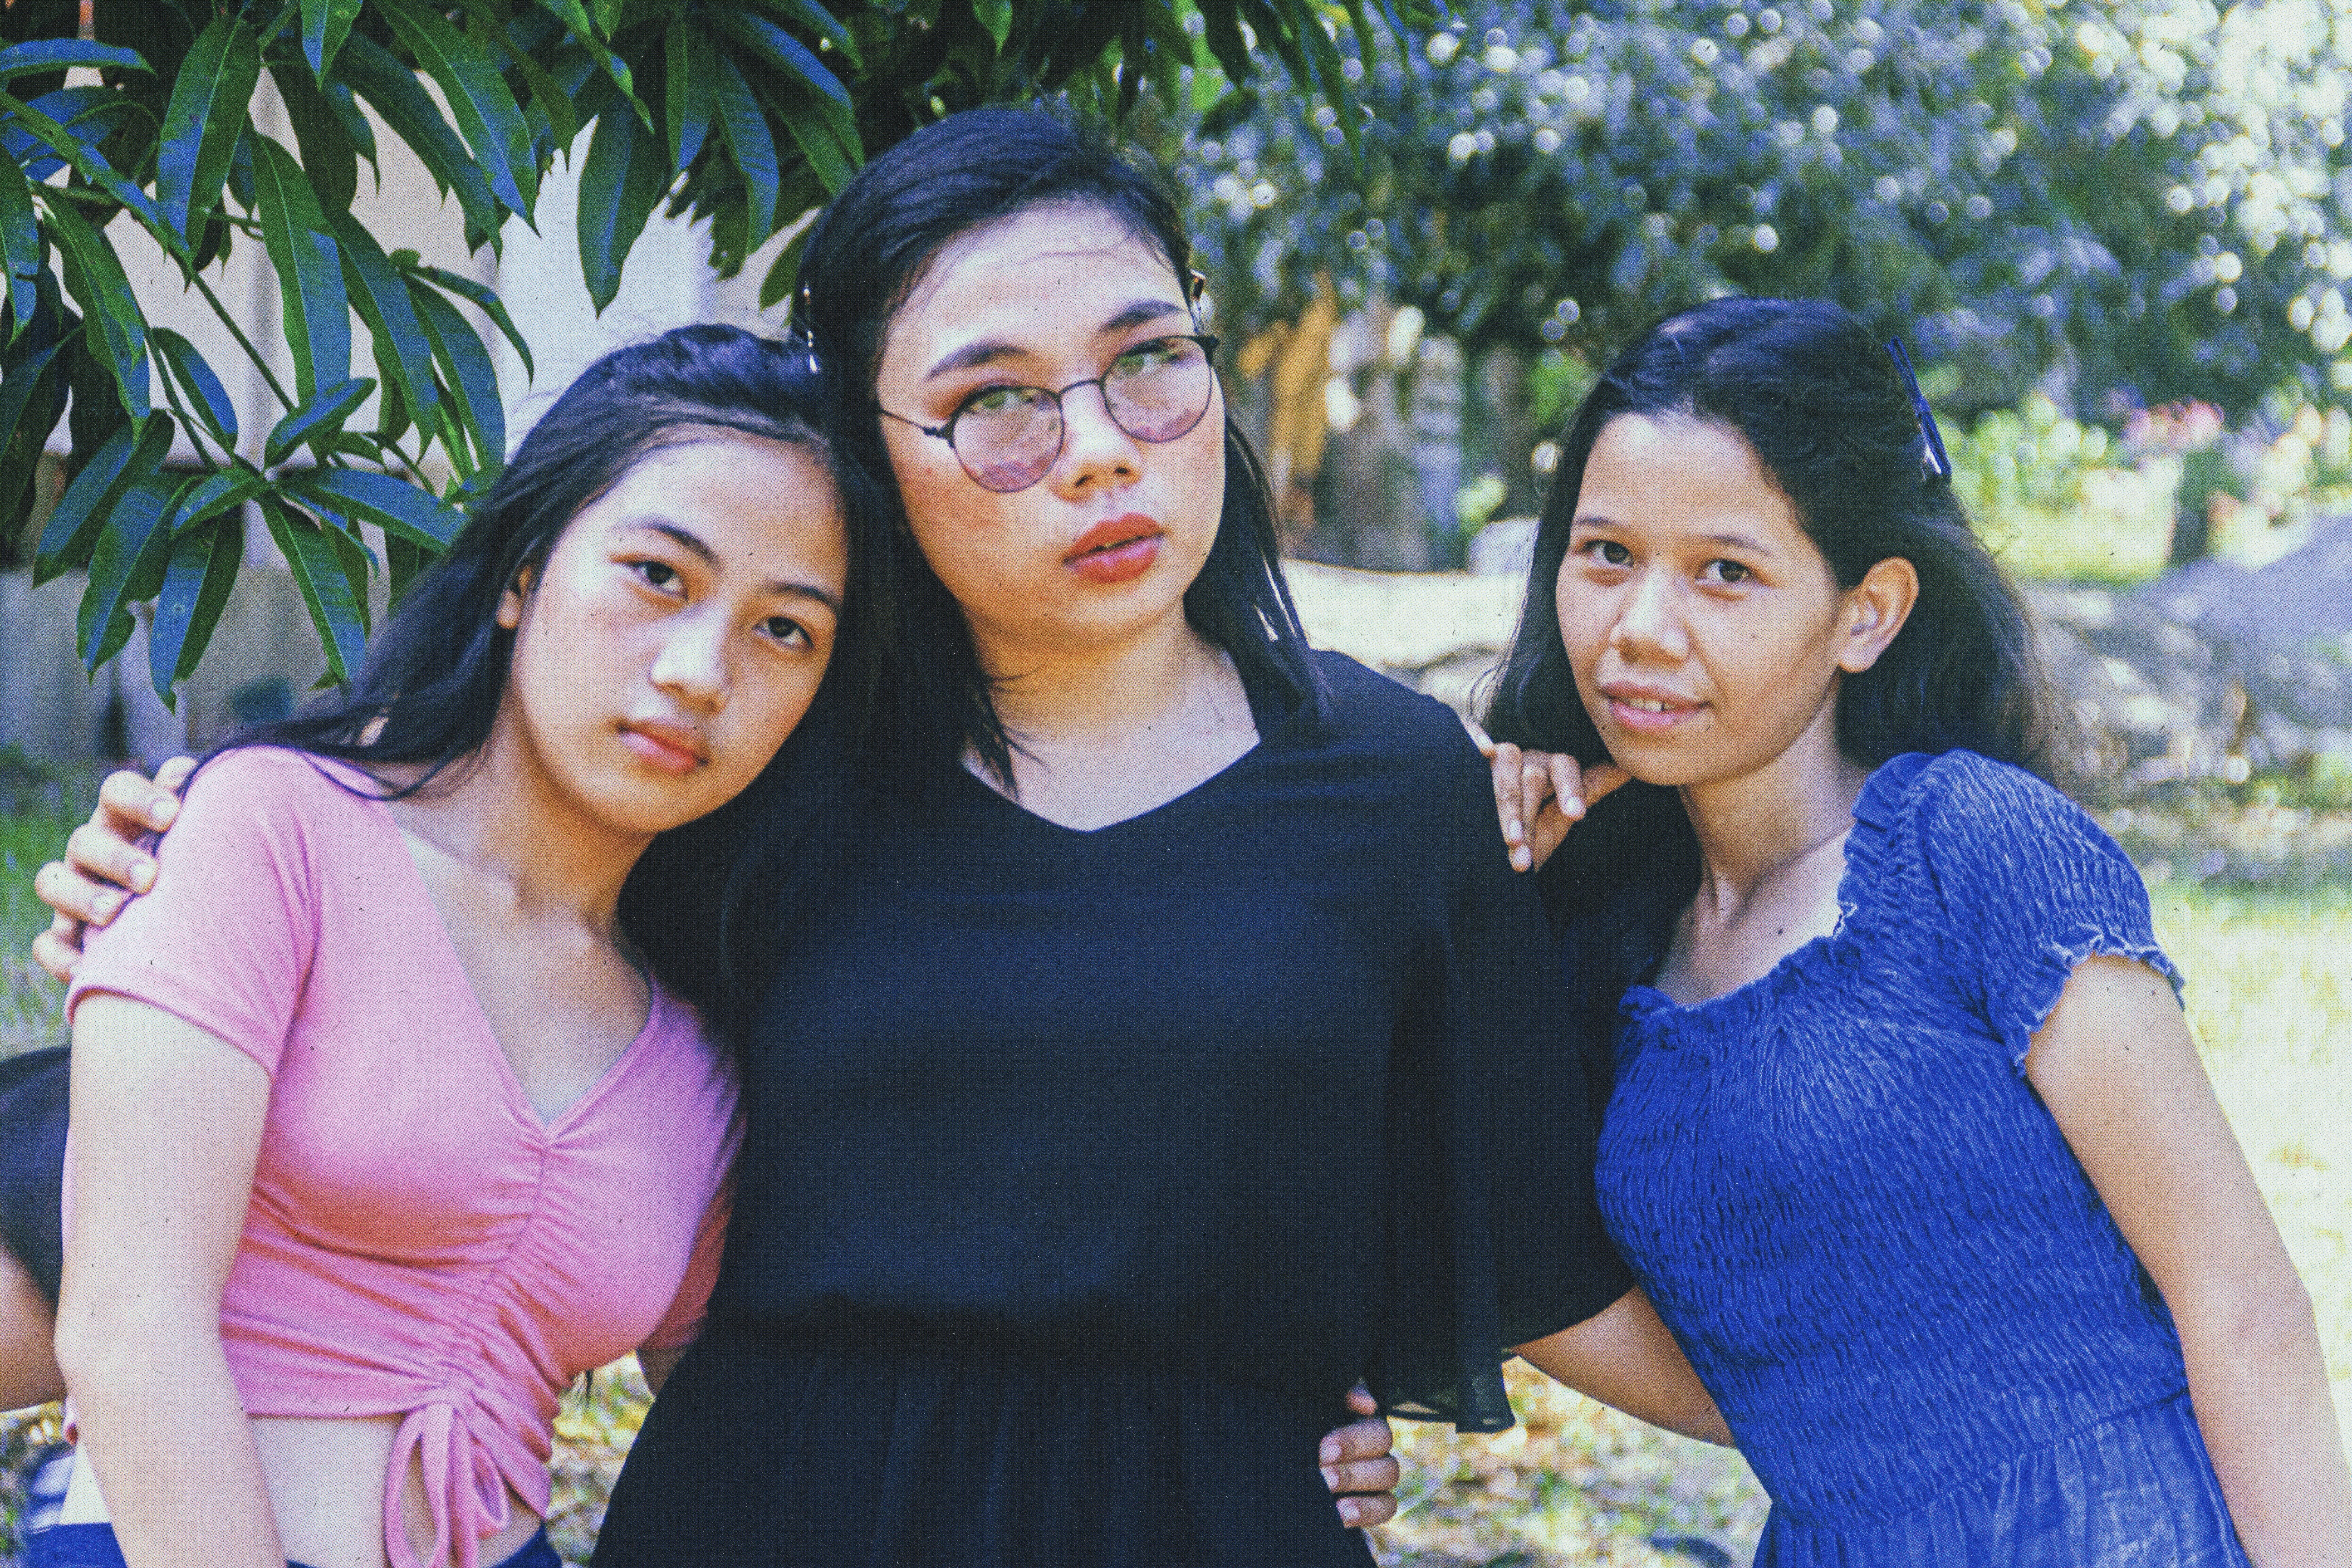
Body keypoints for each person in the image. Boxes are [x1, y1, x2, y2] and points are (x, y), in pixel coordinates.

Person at [35, 109, 1727, 1566]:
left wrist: (1864, 1409)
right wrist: (163, 872)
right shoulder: (778, 755)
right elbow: (433, 990)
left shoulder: (1396, 783)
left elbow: (1528, 1240)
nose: (1098, 454)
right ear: (875, 456)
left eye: (1149, 363)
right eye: (996, 402)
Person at [1479, 296, 2352, 1565]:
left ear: (1868, 613)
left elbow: (2241, 1302)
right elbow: (1734, 1366)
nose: (1642, 630)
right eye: (1606, 554)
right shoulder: (1611, 941)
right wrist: (1486, 901)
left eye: (1726, 573)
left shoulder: (1970, 848)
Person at [29, 323, 873, 1568]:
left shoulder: (708, 1033)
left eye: (786, 630)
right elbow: (128, 1327)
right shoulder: (272, 830)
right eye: (658, 575)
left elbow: (745, 1415)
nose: (702, 672)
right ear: (523, 572)